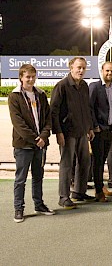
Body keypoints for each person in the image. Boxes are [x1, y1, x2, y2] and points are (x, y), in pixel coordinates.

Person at [8, 64, 55, 222]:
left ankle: (39, 204)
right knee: (20, 179)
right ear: (21, 77)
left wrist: (44, 136)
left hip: (40, 144)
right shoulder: (14, 96)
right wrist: (36, 140)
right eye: (27, 76)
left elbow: (48, 118)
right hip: (24, 145)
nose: (31, 79)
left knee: (38, 176)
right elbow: (18, 123)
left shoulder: (40, 94)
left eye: (33, 76)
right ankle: (18, 208)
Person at [50, 56, 95, 209]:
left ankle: (79, 192)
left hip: (82, 131)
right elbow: (54, 111)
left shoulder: (84, 86)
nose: (81, 70)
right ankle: (63, 197)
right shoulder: (62, 86)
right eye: (78, 67)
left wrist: (89, 127)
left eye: (83, 67)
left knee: (85, 162)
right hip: (67, 132)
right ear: (71, 68)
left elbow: (87, 109)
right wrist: (58, 132)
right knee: (67, 164)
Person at [89, 62, 112, 202]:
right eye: (107, 71)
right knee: (98, 161)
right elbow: (90, 108)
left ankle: (101, 187)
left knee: (103, 160)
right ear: (102, 70)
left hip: (109, 130)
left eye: (111, 71)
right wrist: (95, 126)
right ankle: (99, 191)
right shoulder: (94, 86)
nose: (109, 73)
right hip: (98, 130)